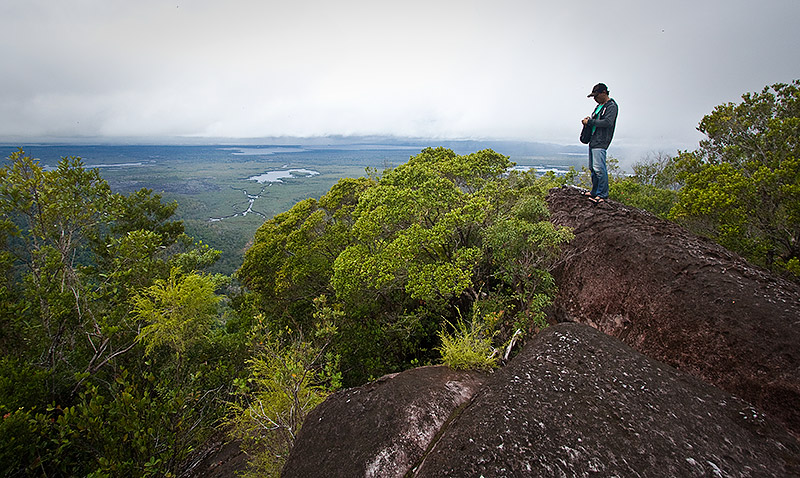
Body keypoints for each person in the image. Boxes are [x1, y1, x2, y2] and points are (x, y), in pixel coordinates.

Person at [580, 83, 618, 203]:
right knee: (593, 168)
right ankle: (595, 191)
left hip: (601, 140)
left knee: (599, 168)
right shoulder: (598, 106)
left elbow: (607, 122)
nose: (595, 98)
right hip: (593, 140)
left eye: (596, 96)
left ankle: (602, 194)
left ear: (604, 93)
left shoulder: (611, 106)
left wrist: (590, 122)